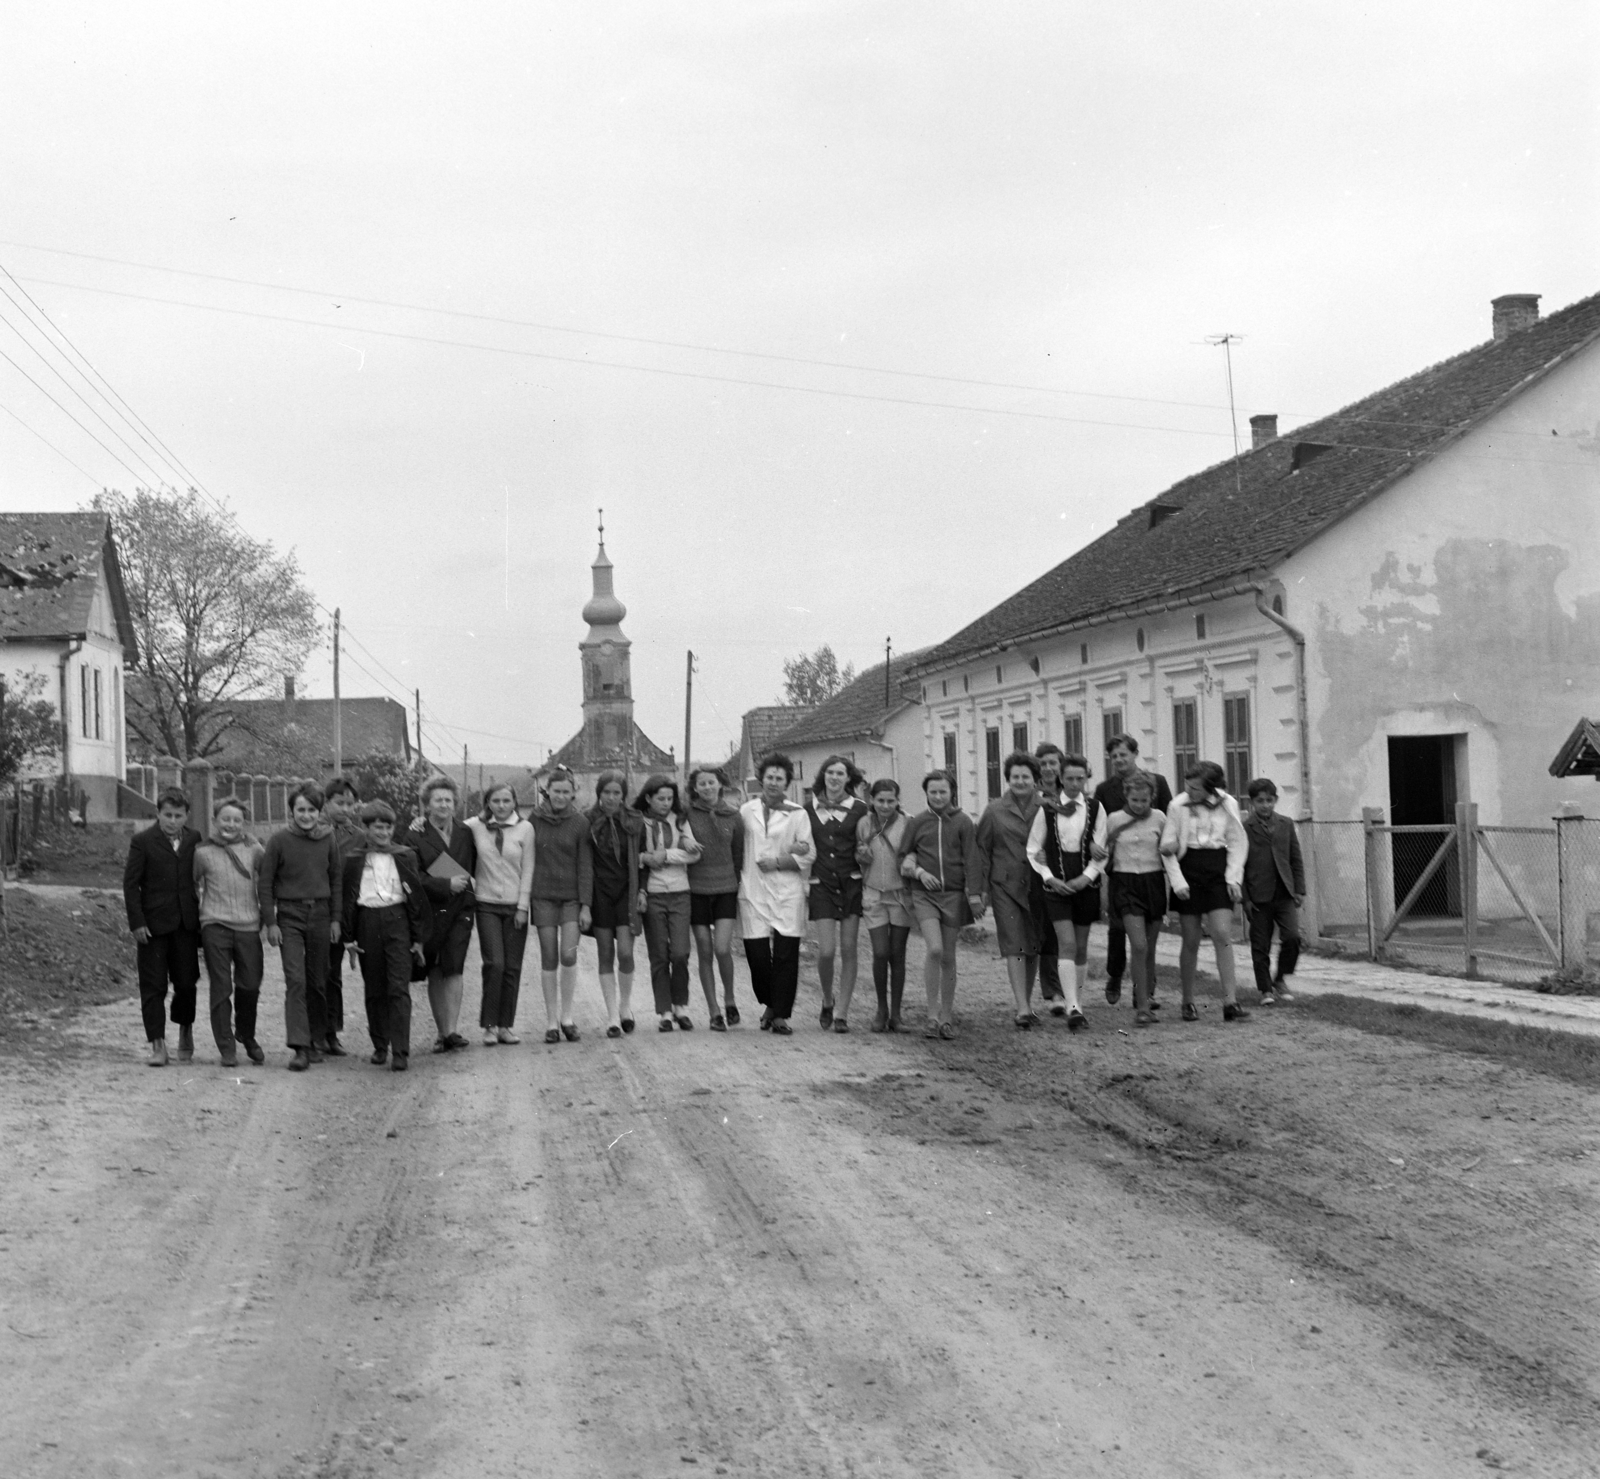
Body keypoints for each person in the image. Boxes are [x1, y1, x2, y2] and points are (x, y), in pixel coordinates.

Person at [259, 781, 343, 1072]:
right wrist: (271, 922)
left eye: (311, 810)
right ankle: (300, 1046)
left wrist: (335, 919)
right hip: (289, 916)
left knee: (318, 980)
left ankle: (318, 1037)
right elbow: (266, 882)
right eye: (300, 809)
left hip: (320, 913)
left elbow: (335, 880)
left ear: (320, 812)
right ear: (292, 811)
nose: (306, 815)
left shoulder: (328, 838)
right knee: (295, 980)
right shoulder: (279, 840)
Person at [341, 800, 431, 1070]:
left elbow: (415, 897)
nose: (383, 833)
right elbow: (348, 899)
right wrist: (349, 937)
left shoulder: (405, 855)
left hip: (398, 921)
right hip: (368, 922)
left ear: (394, 829)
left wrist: (418, 938)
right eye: (377, 828)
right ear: (366, 829)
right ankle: (380, 1045)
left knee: (398, 987)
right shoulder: (355, 858)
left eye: (387, 828)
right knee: (375, 987)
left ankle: (401, 1050)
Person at [898, 769, 986, 1040]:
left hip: (954, 895)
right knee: (934, 949)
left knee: (949, 956)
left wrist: (974, 896)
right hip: (924, 895)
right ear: (926, 793)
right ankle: (931, 1015)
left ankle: (946, 1017)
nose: (937, 797)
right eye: (932, 792)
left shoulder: (963, 822)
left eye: (943, 792)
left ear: (952, 793)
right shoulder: (917, 822)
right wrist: (920, 873)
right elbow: (904, 855)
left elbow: (973, 860)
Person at [1161, 760, 1250, 1022]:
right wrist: (1178, 883)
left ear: (1212, 788)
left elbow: (1237, 842)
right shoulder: (1177, 805)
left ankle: (1230, 1002)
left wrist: (1234, 879)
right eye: (1187, 786)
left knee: (1222, 933)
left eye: (1196, 788)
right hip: (1189, 870)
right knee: (1191, 939)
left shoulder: (1228, 804)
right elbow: (1167, 848)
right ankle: (1187, 1001)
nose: (1190, 792)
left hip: (1218, 871)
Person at [1025, 753, 1106, 1033]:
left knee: (1081, 947)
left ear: (1087, 779)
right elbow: (1033, 850)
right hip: (1056, 884)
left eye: (1080, 778)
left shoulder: (1096, 808)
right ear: (1061, 779)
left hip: (1085, 882)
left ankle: (1077, 1001)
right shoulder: (1048, 809)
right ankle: (1072, 1007)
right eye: (1069, 778)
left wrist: (1088, 877)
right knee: (1067, 943)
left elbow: (1102, 849)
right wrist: (1049, 878)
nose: (1074, 783)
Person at [123, 787, 202, 1067]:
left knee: (185, 983)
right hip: (153, 926)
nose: (172, 821)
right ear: (158, 813)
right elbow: (131, 885)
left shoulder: (195, 838)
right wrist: (137, 923)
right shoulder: (143, 841)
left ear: (186, 816)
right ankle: (158, 1044)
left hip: (185, 924)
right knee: (153, 986)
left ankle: (185, 1031)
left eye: (178, 815)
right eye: (167, 814)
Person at [737, 752, 813, 1036]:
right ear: (761, 779)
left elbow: (808, 853)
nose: (773, 782)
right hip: (754, 889)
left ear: (787, 782)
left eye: (779, 778)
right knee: (757, 954)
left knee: (785, 955)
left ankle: (779, 1014)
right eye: (769, 777)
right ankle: (770, 1001)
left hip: (786, 891)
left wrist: (780, 861)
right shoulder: (746, 811)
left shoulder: (797, 813)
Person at [1094, 736, 1174, 1007]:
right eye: (1114, 756)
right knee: (1118, 929)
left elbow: (1168, 819)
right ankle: (1115, 975)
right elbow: (1099, 827)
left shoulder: (1158, 782)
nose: (1118, 760)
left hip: (1151, 868)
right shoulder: (1104, 789)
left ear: (1135, 754)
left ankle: (1144, 992)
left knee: (1146, 943)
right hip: (1121, 871)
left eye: (1123, 755)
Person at [193, 798, 266, 1067]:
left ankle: (246, 1035)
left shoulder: (255, 849)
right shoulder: (202, 853)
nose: (231, 825)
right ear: (215, 821)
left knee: (250, 984)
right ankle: (226, 1047)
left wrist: (269, 917)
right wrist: (199, 918)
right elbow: (192, 883)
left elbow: (268, 879)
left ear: (243, 824)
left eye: (236, 820)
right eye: (225, 819)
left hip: (248, 926)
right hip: (215, 926)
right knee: (221, 987)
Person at [410, 777, 477, 1053]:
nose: (444, 804)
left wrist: (462, 887)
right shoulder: (414, 834)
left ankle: (452, 1030)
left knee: (455, 966)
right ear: (426, 804)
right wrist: (445, 884)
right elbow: (414, 877)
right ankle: (441, 1032)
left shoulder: (465, 831)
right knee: (436, 968)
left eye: (448, 800)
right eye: (438, 799)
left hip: (461, 909)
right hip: (432, 911)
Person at [977, 752, 1044, 1029]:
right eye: (1015, 776)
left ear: (1035, 780)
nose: (1020, 781)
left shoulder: (1047, 807)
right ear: (1007, 779)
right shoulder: (994, 810)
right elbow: (982, 851)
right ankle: (1022, 1007)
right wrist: (980, 890)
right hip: (1004, 885)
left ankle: (1026, 1003)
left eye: (1025, 777)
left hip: (1038, 885)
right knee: (1015, 943)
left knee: (1034, 945)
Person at [465, 782, 534, 1045]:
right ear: (488, 803)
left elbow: (528, 868)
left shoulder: (526, 829)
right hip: (485, 904)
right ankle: (489, 1026)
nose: (502, 806)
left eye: (507, 800)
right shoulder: (474, 826)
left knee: (512, 967)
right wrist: (419, 822)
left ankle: (506, 1026)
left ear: (515, 802)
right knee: (495, 963)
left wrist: (523, 907)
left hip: (515, 905)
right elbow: (444, 829)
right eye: (496, 801)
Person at [805, 755, 869, 1032]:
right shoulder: (807, 810)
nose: (834, 777)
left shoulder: (861, 809)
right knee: (827, 952)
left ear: (848, 778)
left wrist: (863, 854)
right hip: (822, 886)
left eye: (840, 773)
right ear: (823, 776)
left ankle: (842, 1012)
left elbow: (869, 842)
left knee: (849, 949)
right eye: (830, 772)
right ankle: (827, 998)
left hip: (851, 884)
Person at [529, 767, 593, 1043]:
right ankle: (551, 1021)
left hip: (571, 898)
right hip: (542, 896)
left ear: (573, 793)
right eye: (556, 791)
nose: (561, 796)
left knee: (569, 954)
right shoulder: (534, 819)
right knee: (549, 957)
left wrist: (586, 905)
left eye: (566, 792)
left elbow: (585, 865)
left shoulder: (580, 823)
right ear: (547, 792)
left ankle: (567, 1018)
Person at [636, 774, 702, 1032]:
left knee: (680, 953)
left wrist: (665, 855)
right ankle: (665, 1011)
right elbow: (635, 855)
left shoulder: (681, 821)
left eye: (670, 798)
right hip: (652, 893)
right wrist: (645, 857)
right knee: (660, 955)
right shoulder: (639, 822)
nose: (665, 803)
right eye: (660, 798)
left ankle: (681, 1007)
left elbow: (693, 854)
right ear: (648, 798)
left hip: (679, 892)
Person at [685, 766, 744, 1030]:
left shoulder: (734, 815)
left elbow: (738, 854)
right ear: (695, 788)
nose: (707, 787)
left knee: (722, 948)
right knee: (705, 951)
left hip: (725, 889)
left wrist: (734, 882)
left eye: (711, 782)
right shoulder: (686, 814)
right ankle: (714, 1011)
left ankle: (730, 1000)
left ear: (720, 784)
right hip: (696, 890)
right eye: (702, 784)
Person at [585, 771, 641, 1037]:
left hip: (626, 892)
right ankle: (611, 1017)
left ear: (623, 795)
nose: (611, 797)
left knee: (627, 953)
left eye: (616, 793)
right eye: (606, 792)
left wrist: (641, 890)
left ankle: (626, 1006)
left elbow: (642, 858)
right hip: (600, 894)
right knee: (605, 953)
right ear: (599, 794)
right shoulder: (587, 820)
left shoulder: (634, 820)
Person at [855, 779, 911, 1032]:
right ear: (872, 801)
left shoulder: (908, 823)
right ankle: (881, 1008)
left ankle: (896, 1015)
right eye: (880, 800)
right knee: (880, 953)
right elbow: (856, 854)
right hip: (873, 893)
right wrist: (861, 854)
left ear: (898, 800)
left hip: (900, 895)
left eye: (891, 800)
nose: (886, 805)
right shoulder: (864, 823)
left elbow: (913, 852)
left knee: (897, 954)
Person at [1243, 778, 1305, 1005]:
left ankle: (1280, 978)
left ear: (1275, 800)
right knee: (1261, 944)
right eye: (1260, 801)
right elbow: (1240, 865)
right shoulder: (1245, 828)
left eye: (1270, 800)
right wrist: (1245, 899)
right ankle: (1265, 989)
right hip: (1258, 895)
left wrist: (1299, 889)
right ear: (1252, 802)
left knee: (1292, 937)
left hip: (1284, 892)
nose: (1265, 805)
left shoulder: (1286, 824)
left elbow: (1296, 859)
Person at [319, 776, 364, 1057]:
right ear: (326, 804)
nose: (345, 809)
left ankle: (331, 1033)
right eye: (339, 803)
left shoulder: (360, 837)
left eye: (350, 804)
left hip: (343, 913)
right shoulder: (314, 830)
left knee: (333, 974)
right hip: (314, 910)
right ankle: (313, 1032)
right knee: (314, 974)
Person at [1032, 743, 1066, 1007]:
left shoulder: (1071, 793)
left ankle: (1066, 989)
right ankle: (1053, 991)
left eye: (1052, 762)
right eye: (1042, 763)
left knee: (1066, 931)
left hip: (1069, 869)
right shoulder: (1030, 796)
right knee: (1046, 930)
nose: (1048, 768)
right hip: (1039, 870)